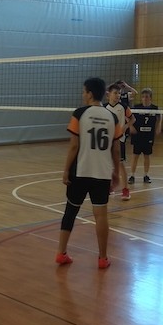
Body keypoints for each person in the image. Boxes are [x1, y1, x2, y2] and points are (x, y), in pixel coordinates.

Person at [55, 77, 120, 269]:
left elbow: (74, 146)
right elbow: (116, 150)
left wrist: (66, 170)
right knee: (101, 215)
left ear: (90, 93)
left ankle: (61, 253)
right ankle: (102, 258)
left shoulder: (79, 114)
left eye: (84, 91)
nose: (82, 94)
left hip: (80, 171)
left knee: (70, 211)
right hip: (102, 173)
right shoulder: (113, 117)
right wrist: (116, 172)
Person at [104, 82, 135, 201]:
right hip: (107, 140)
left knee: (120, 165)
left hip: (119, 139)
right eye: (115, 93)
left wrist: (126, 126)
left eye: (119, 93)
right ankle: (110, 187)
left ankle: (125, 190)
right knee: (107, 164)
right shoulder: (104, 108)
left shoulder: (123, 107)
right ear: (108, 94)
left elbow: (133, 119)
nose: (118, 95)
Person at [128, 88, 162, 185]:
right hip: (138, 135)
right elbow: (128, 117)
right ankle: (132, 175)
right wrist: (130, 126)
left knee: (147, 156)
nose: (144, 99)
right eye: (143, 97)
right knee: (135, 156)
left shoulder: (155, 108)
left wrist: (159, 127)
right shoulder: (136, 107)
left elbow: (159, 117)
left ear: (150, 98)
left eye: (146, 97)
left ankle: (146, 175)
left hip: (149, 135)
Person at [117, 80, 138, 162]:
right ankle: (116, 155)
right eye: (119, 86)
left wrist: (127, 86)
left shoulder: (126, 95)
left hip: (126, 117)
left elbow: (135, 93)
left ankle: (122, 156)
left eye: (121, 86)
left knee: (123, 138)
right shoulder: (114, 95)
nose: (120, 88)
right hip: (117, 117)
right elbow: (107, 91)